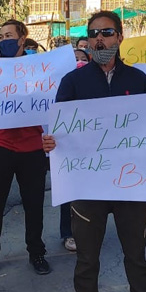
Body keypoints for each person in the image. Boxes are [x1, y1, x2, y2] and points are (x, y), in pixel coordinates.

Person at [42, 11, 146, 292]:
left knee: (136, 251)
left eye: (106, 32)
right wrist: (51, 142)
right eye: (93, 34)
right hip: (88, 185)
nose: (99, 39)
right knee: (87, 255)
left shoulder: (138, 80)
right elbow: (60, 130)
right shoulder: (72, 83)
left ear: (120, 36)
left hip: (131, 183)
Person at [0, 20, 50, 279]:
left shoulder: (41, 69)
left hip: (32, 148)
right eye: (1, 34)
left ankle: (36, 252)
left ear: (22, 38)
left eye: (9, 35)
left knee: (34, 205)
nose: (4, 39)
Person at [59, 48, 90, 253]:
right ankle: (68, 233)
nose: (79, 62)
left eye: (83, 59)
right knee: (68, 192)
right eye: (75, 59)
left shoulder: (95, 83)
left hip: (94, 147)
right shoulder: (66, 82)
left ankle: (88, 230)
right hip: (70, 146)